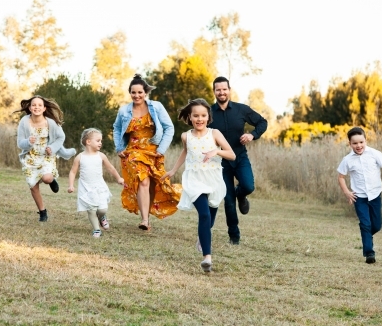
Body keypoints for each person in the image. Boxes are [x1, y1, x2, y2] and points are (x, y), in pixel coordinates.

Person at [162, 98, 235, 273]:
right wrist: (173, 170)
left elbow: (231, 154)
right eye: (196, 116)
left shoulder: (215, 133)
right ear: (190, 117)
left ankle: (202, 238)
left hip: (214, 179)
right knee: (203, 215)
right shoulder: (186, 136)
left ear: (208, 116)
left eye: (203, 115)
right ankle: (207, 259)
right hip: (194, 179)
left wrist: (216, 151)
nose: (199, 119)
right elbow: (185, 152)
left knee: (209, 218)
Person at [113, 74, 181, 231]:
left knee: (153, 185)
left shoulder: (156, 107)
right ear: (129, 93)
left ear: (145, 93)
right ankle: (144, 220)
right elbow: (116, 128)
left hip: (154, 151)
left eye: (140, 92)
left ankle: (147, 218)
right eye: (133, 92)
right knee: (143, 181)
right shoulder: (124, 111)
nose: (136, 95)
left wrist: (162, 149)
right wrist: (119, 147)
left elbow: (169, 128)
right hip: (133, 151)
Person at [208, 76, 268, 245]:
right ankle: (234, 236)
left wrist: (252, 135)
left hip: (240, 157)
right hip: (221, 162)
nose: (221, 92)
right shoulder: (209, 113)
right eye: (218, 90)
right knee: (228, 201)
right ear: (214, 92)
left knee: (248, 186)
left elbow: (262, 122)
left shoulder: (241, 110)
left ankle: (241, 196)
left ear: (229, 90)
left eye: (224, 89)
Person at [337, 127, 382, 264]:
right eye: (355, 143)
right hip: (359, 197)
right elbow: (341, 177)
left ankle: (366, 236)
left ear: (365, 141)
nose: (358, 145)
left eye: (361, 142)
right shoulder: (347, 160)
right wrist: (347, 192)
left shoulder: (374, 154)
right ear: (350, 144)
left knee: (376, 225)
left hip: (375, 195)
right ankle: (369, 253)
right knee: (365, 223)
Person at [15, 95, 76, 222]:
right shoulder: (24, 122)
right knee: (33, 186)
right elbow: (20, 143)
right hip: (30, 158)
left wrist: (52, 148)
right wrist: (28, 142)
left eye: (39, 105)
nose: (36, 107)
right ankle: (42, 212)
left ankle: (52, 180)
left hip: (46, 156)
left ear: (44, 108)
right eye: (34, 105)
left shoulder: (51, 123)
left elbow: (60, 138)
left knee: (46, 178)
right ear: (30, 108)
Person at [67, 128, 125, 238]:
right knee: (91, 210)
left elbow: (111, 168)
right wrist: (71, 185)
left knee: (102, 209)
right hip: (86, 187)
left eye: (101, 141)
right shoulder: (80, 157)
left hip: (99, 186)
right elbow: (73, 172)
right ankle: (96, 229)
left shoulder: (101, 155)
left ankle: (102, 216)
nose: (101, 143)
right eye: (98, 141)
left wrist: (118, 178)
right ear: (88, 142)